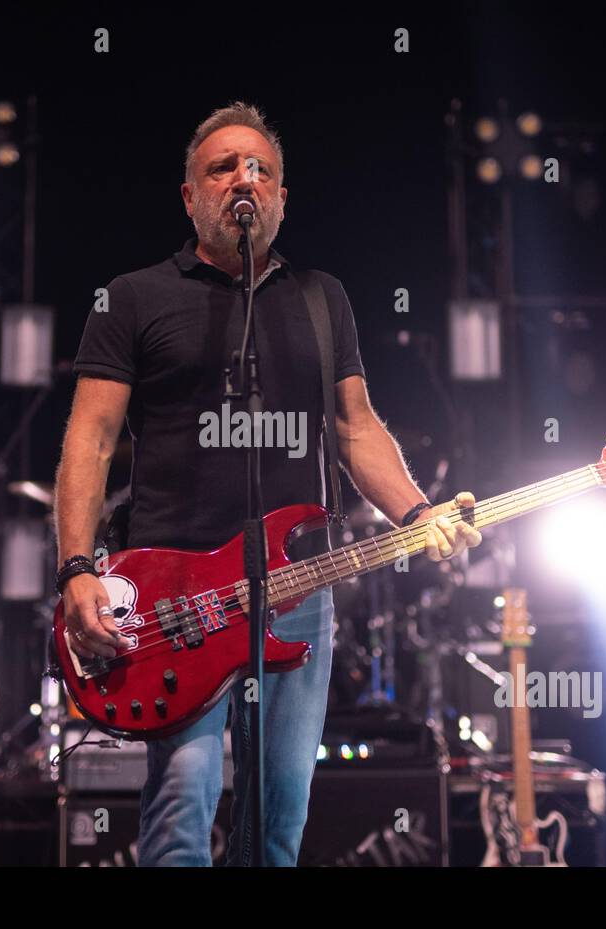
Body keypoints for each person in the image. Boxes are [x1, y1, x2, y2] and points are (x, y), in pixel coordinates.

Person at [53, 102, 480, 866]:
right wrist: (78, 567)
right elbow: (90, 438)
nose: (243, 180)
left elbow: (355, 427)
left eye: (262, 170)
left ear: (282, 198)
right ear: (190, 195)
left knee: (278, 817)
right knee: (185, 794)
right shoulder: (133, 297)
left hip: (295, 588)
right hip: (171, 591)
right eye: (222, 168)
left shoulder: (323, 299)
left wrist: (419, 512)